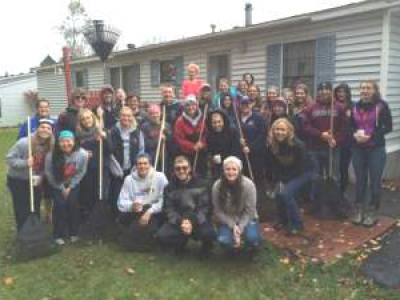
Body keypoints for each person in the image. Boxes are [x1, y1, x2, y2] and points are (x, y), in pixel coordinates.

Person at [350, 79, 392, 226]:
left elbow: (388, 127)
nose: (364, 91)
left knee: (374, 181)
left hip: (376, 149)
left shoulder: (382, 106)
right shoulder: (355, 106)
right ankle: (359, 209)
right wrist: (355, 134)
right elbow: (351, 125)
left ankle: (373, 211)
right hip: (358, 149)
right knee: (360, 180)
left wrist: (371, 136)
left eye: (368, 88)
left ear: (374, 90)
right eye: (362, 88)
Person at [156, 155, 215, 256]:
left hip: (197, 219)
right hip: (179, 220)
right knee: (161, 236)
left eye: (184, 168)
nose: (181, 171)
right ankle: (180, 243)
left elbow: (205, 208)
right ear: (174, 170)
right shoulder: (169, 187)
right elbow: (168, 209)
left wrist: (192, 221)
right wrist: (181, 222)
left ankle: (207, 247)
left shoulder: (202, 184)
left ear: (190, 168)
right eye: (178, 168)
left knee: (209, 234)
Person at [265, 118, 316, 234]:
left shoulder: (298, 145)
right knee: (278, 192)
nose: (279, 132)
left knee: (286, 193)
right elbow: (274, 165)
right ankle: (282, 220)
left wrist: (284, 181)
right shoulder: (272, 145)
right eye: (277, 129)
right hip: (286, 173)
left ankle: (297, 224)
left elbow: (300, 167)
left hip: (305, 171)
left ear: (289, 131)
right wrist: (277, 180)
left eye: (283, 130)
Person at [7, 119, 55, 231]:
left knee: (36, 203)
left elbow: (45, 164)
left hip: (35, 180)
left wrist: (42, 176)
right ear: (37, 129)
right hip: (18, 179)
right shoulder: (24, 143)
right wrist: (24, 163)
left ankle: (35, 227)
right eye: (42, 127)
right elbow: (9, 159)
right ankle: (22, 228)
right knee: (21, 205)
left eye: (48, 128)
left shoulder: (49, 146)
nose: (45, 130)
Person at [301, 82, 347, 190]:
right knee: (316, 176)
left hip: (332, 147)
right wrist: (320, 134)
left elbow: (345, 127)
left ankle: (334, 201)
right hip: (315, 148)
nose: (324, 91)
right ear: (318, 92)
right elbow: (305, 126)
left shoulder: (340, 107)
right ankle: (317, 201)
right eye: (321, 89)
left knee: (333, 176)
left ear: (331, 92)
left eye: (327, 89)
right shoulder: (310, 107)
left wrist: (336, 139)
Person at [45, 130, 88, 245]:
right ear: (58, 143)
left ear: (73, 141)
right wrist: (60, 187)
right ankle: (58, 234)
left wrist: (71, 186)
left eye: (68, 141)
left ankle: (73, 232)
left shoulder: (82, 154)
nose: (66, 144)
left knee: (72, 205)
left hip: (73, 183)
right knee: (59, 206)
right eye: (62, 141)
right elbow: (48, 173)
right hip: (57, 183)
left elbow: (82, 171)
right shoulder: (51, 155)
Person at [117, 153, 168, 250]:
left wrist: (150, 211)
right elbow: (121, 202)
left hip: (155, 211)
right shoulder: (129, 179)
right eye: (139, 164)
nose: (142, 166)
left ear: (150, 165)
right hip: (136, 211)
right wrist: (131, 206)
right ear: (136, 166)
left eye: (145, 163)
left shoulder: (160, 177)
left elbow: (165, 200)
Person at [212, 156, 261, 253]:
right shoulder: (217, 186)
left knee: (252, 239)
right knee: (224, 241)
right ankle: (230, 251)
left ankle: (253, 248)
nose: (230, 172)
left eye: (234, 169)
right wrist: (233, 226)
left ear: (239, 170)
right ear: (223, 170)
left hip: (247, 218)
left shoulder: (249, 185)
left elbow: (250, 211)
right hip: (227, 219)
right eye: (227, 169)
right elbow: (218, 210)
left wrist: (240, 227)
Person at [76, 108, 113, 218]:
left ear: (93, 117)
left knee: (102, 195)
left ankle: (102, 219)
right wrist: (82, 153)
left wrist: (104, 138)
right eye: (83, 119)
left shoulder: (102, 130)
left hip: (102, 169)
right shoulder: (78, 135)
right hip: (87, 170)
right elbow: (74, 152)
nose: (86, 121)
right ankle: (90, 220)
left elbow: (110, 150)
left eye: (88, 118)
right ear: (80, 122)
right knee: (89, 195)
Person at [109, 106, 145, 214]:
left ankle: (129, 216)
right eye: (124, 115)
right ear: (119, 117)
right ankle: (116, 216)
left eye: (129, 116)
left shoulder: (137, 132)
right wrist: (115, 168)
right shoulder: (113, 131)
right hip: (117, 169)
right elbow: (109, 152)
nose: (126, 118)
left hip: (132, 169)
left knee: (131, 194)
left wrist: (136, 167)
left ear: (132, 117)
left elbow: (141, 150)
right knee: (117, 194)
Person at [173, 95, 207, 177]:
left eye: (193, 105)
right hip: (187, 152)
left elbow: (207, 134)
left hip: (202, 151)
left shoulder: (203, 118)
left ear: (196, 105)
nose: (190, 107)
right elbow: (179, 139)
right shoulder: (180, 121)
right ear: (185, 107)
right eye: (188, 105)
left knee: (203, 172)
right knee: (189, 173)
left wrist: (202, 143)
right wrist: (192, 146)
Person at [238, 97, 267, 186]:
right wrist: (239, 140)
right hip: (241, 155)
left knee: (256, 179)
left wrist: (250, 147)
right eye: (243, 104)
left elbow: (262, 136)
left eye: (247, 104)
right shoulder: (237, 119)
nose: (245, 106)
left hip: (256, 155)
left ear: (251, 105)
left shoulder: (259, 118)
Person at [206, 109, 240, 180]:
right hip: (218, 166)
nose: (217, 125)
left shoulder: (232, 131)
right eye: (214, 122)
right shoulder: (209, 135)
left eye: (219, 122)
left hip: (232, 165)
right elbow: (211, 151)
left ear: (224, 120)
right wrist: (212, 158)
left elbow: (236, 151)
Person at [334, 83, 353, 195]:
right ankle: (333, 189)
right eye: (339, 91)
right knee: (334, 167)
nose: (341, 94)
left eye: (343, 92)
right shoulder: (332, 105)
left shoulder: (353, 106)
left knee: (343, 167)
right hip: (334, 140)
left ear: (347, 93)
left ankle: (342, 191)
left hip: (347, 141)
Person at [140, 104, 171, 170]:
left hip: (164, 157)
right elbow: (146, 144)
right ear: (148, 115)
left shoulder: (166, 125)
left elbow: (172, 141)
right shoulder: (144, 127)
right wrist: (158, 139)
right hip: (151, 158)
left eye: (157, 113)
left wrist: (166, 138)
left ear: (160, 113)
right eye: (152, 113)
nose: (155, 115)